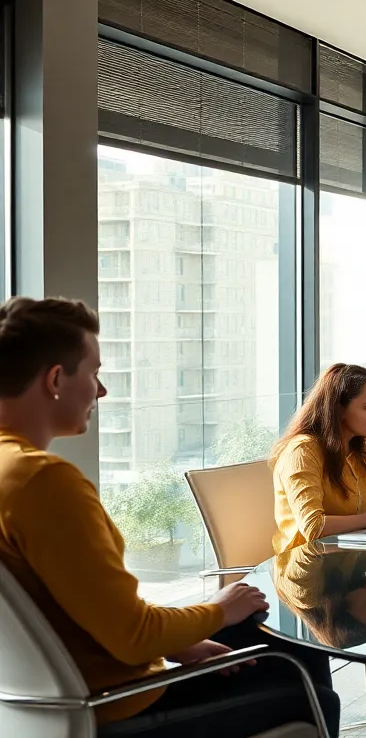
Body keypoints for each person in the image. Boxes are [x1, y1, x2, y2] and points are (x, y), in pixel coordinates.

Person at [0, 296, 338, 737]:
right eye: (95, 373)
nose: (101, 391)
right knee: (307, 680)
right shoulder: (43, 482)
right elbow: (134, 634)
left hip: (48, 705)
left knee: (270, 642)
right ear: (56, 379)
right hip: (116, 707)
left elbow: (88, 612)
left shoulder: (12, 473)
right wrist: (217, 609)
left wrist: (183, 641)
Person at [271, 363, 366, 555]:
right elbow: (314, 527)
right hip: (307, 565)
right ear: (338, 409)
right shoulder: (303, 451)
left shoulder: (358, 448)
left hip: (348, 560)